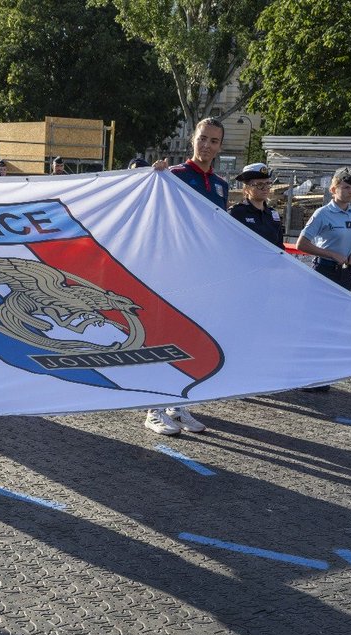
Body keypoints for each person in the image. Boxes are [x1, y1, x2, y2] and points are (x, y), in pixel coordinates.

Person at [143, 117, 228, 436]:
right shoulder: (172, 175)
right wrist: (154, 175)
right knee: (163, 339)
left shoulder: (221, 185)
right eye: (203, 138)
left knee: (192, 340)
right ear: (193, 139)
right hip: (171, 273)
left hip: (203, 276)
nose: (207, 145)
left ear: (220, 146)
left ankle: (176, 406)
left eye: (214, 141)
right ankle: (151, 409)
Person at [296, 167, 351, 291]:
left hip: (346, 272)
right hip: (325, 270)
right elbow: (301, 244)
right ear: (333, 189)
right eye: (346, 187)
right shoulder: (322, 213)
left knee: (341, 309)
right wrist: (332, 255)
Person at [228, 162, 284, 250]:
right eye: (260, 185)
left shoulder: (273, 215)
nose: (265, 188)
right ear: (246, 188)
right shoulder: (237, 213)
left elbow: (280, 247)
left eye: (268, 184)